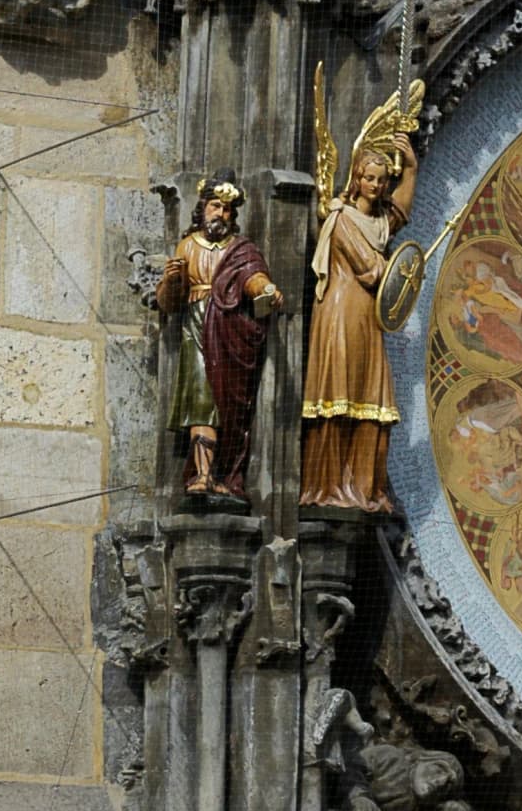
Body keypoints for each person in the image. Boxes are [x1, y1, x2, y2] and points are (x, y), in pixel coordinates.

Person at [302, 80, 423, 510]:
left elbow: (400, 213)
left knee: (372, 397)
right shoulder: (343, 221)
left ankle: (365, 487)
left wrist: (409, 167)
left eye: (380, 179)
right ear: (356, 179)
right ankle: (333, 486)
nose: (374, 184)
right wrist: (403, 274)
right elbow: (373, 271)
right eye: (368, 178)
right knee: (341, 393)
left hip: (366, 319)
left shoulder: (378, 222)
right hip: (342, 313)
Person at [153, 179, 280, 499]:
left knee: (230, 408)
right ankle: (203, 474)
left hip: (230, 333)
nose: (220, 214)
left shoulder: (241, 249)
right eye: (215, 206)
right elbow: (169, 303)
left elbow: (253, 278)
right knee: (201, 402)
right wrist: (170, 282)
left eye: (226, 209)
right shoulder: (188, 246)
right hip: (196, 331)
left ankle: (223, 471)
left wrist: (266, 289)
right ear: (203, 208)